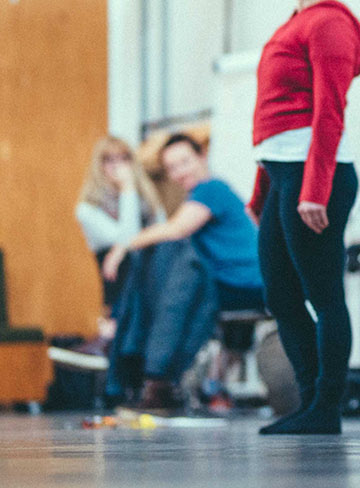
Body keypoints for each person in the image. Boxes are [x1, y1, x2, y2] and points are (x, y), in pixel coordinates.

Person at [249, 0, 360, 435]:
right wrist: (263, 190)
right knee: (279, 293)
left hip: (313, 179)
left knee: (324, 293)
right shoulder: (295, 23)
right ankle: (310, 399)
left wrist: (313, 190)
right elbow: (273, 122)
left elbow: (328, 113)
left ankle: (327, 407)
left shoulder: (329, 23)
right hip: (286, 176)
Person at [101, 133, 264, 410]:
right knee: (172, 269)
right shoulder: (203, 194)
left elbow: (176, 228)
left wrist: (121, 248)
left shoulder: (212, 189)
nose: (179, 172)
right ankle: (157, 374)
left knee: (178, 271)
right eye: (172, 167)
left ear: (202, 157)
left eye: (184, 162)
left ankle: (158, 374)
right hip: (228, 282)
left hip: (245, 284)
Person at [75, 135, 166, 319]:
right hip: (120, 291)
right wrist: (128, 189)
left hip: (153, 282)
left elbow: (164, 231)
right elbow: (128, 237)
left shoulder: (148, 199)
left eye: (124, 158)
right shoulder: (87, 209)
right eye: (109, 160)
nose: (118, 166)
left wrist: (119, 250)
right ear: (98, 166)